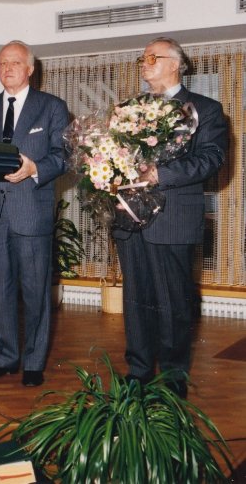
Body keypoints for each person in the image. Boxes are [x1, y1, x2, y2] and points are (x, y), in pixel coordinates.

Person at [114, 37, 228, 398]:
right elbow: (114, 157)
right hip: (130, 218)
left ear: (176, 64)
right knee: (136, 299)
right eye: (142, 59)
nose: (144, 63)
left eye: (153, 57)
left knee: (173, 301)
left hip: (174, 218)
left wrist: (159, 174)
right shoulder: (129, 109)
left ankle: (174, 373)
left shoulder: (205, 109)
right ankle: (138, 370)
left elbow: (211, 159)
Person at [0, 40, 69, 388]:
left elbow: (64, 156)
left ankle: (34, 362)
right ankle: (5, 356)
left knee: (35, 291)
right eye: (2, 63)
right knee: (1, 290)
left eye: (15, 62)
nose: (7, 68)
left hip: (31, 212)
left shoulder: (51, 107)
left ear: (30, 69)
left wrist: (34, 168)